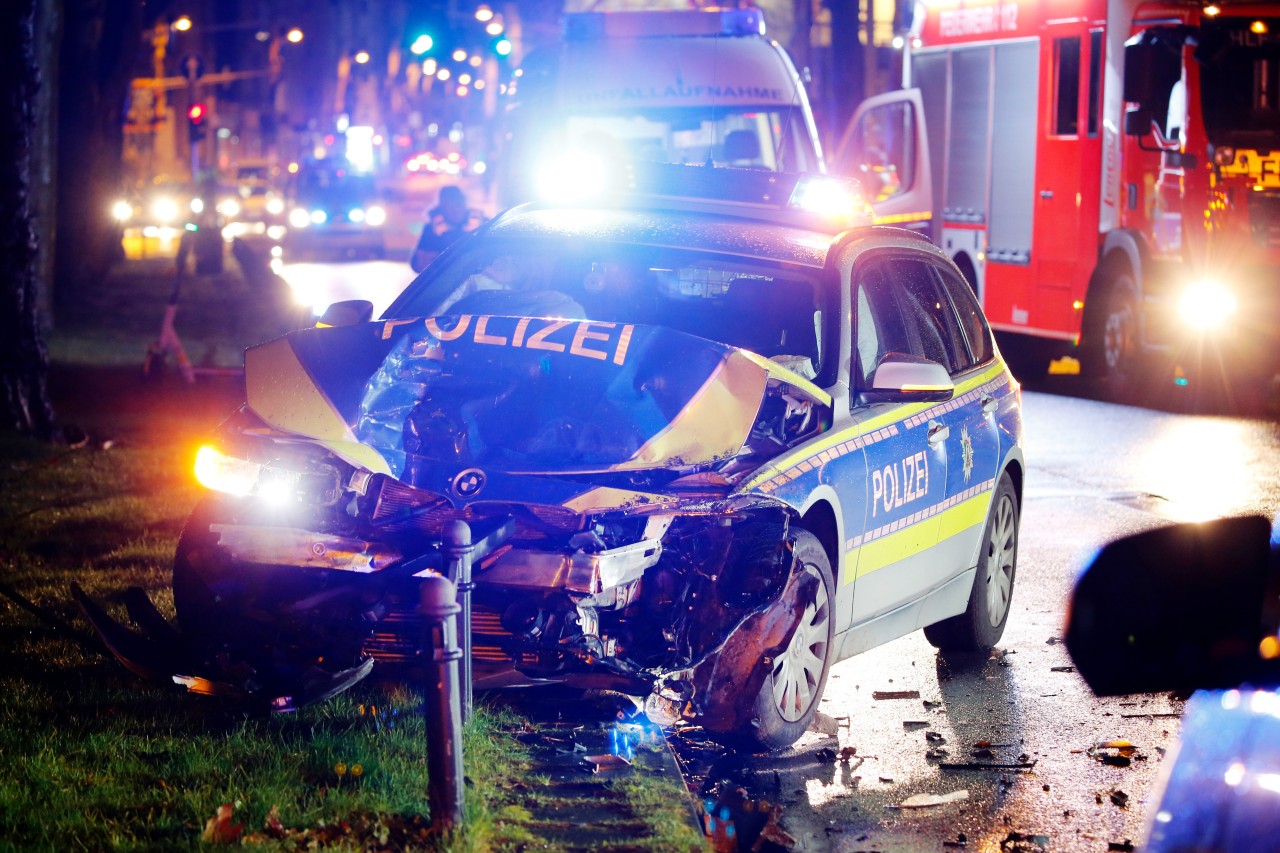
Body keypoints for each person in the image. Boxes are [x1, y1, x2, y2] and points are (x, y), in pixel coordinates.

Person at [409, 185, 486, 272]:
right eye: (450, 207)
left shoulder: (483, 224)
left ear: (464, 204)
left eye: (458, 204)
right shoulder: (431, 230)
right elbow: (417, 264)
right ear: (442, 208)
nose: (455, 210)